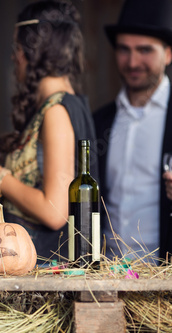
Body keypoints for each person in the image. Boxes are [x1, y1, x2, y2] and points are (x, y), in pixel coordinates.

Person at [0, 0, 99, 263]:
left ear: (34, 51)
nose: (14, 57)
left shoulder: (56, 111)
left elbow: (53, 211)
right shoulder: (59, 105)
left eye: (16, 47)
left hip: (47, 269)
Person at [93, 0, 172, 264]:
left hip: (162, 279)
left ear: (168, 54)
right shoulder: (99, 121)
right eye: (124, 50)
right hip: (105, 278)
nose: (133, 61)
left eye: (145, 50)